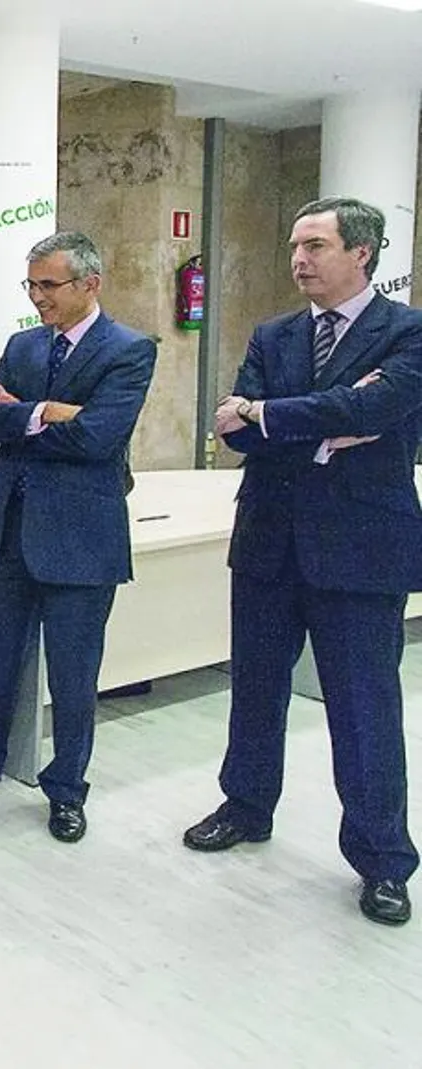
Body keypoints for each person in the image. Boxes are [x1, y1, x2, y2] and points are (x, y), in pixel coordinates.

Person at [184, 196, 422, 927]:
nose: (298, 259)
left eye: (315, 244)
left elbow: (372, 414)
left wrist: (269, 413)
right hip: (267, 544)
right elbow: (237, 432)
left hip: (359, 552)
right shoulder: (274, 333)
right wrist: (295, 419)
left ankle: (383, 860)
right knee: (255, 690)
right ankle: (247, 806)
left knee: (363, 707)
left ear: (363, 253)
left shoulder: (406, 333)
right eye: (295, 244)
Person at [0, 232, 156, 844]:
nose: (37, 297)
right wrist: (49, 410)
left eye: (48, 285)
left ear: (89, 284)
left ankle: (67, 790)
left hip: (81, 542)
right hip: (9, 530)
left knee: (73, 678)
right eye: (31, 285)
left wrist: (23, 413)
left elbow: (99, 438)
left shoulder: (128, 350)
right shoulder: (23, 343)